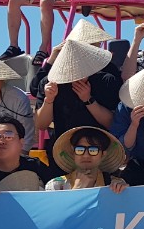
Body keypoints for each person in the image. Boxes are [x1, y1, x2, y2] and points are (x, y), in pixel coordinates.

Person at [35, 39, 121, 171]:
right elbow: (41, 124)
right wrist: (49, 100)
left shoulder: (106, 80)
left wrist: (88, 100)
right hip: (63, 152)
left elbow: (112, 123)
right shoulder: (49, 83)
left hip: (100, 152)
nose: (76, 73)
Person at [45, 127, 129, 192]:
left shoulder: (115, 184)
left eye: (93, 150)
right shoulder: (55, 186)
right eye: (80, 150)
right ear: (73, 152)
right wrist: (77, 188)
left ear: (103, 155)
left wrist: (124, 192)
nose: (86, 155)